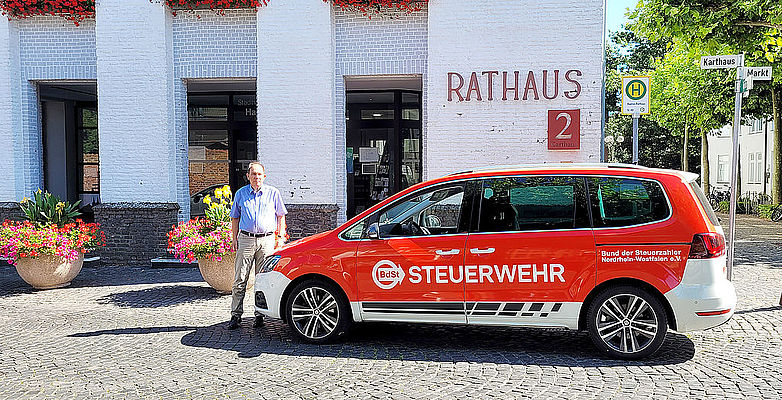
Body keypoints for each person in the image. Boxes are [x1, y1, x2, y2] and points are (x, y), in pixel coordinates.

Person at [226, 162, 288, 330]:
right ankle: (235, 315)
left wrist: (280, 238)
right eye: (253, 174)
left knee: (263, 280)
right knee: (240, 278)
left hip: (267, 241)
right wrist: (234, 238)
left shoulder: (273, 193)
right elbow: (235, 218)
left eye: (259, 174)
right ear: (248, 176)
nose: (257, 177)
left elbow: (281, 216)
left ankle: (259, 315)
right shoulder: (240, 194)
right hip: (246, 239)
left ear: (264, 176)